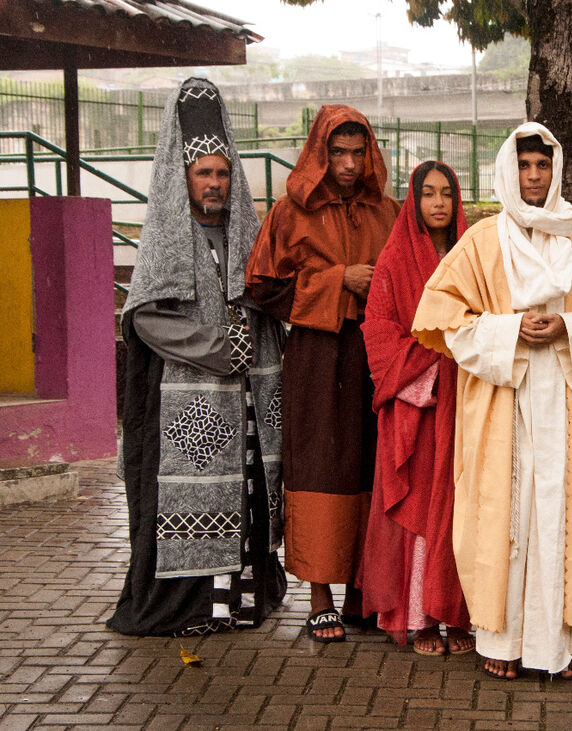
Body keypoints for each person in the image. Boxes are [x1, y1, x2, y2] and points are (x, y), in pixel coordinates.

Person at [410, 123, 572, 679]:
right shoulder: (483, 241)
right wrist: (509, 330)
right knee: (505, 516)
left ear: (555, 169)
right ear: (507, 172)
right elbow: (439, 313)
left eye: (541, 165)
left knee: (567, 517)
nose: (533, 176)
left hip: (567, 396)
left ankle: (560, 648)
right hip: (502, 400)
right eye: (523, 166)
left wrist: (568, 324)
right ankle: (504, 645)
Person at [108, 78, 286, 637]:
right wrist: (217, 348)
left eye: (222, 172)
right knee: (188, 496)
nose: (214, 182)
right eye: (204, 172)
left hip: (246, 400)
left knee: (246, 491)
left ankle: (240, 601)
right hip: (185, 402)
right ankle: (186, 606)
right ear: (183, 176)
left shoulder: (244, 233)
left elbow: (267, 297)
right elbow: (146, 317)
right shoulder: (165, 237)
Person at [246, 105, 400, 642]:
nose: (350, 164)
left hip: (376, 355)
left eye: (359, 153)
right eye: (339, 152)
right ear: (320, 152)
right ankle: (320, 596)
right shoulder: (290, 212)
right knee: (319, 466)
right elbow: (263, 288)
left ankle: (365, 592)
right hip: (316, 357)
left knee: (372, 463)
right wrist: (339, 281)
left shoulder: (388, 212)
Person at [356, 161, 473, 655]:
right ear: (414, 200)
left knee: (462, 509)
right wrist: (429, 361)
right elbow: (378, 330)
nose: (439, 203)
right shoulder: (395, 258)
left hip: (465, 400)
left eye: (447, 193)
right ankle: (419, 617)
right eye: (428, 194)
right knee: (421, 509)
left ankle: (460, 615)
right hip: (416, 406)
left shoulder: (473, 255)